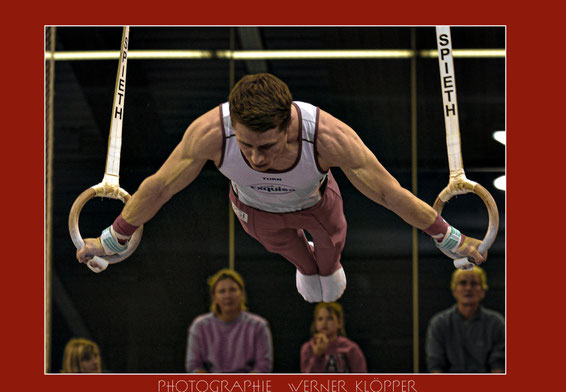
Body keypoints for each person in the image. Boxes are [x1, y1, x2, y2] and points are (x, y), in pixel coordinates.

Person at [77, 72, 487, 303]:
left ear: (289, 124)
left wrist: (448, 236)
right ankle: (307, 268)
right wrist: (114, 239)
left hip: (317, 206)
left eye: (267, 146)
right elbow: (159, 188)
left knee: (330, 251)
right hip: (255, 213)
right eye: (246, 145)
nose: (255, 158)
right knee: (296, 257)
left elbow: (387, 192)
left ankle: (326, 267)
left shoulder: (327, 138)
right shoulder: (210, 134)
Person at [185, 268, 273, 373]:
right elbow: (193, 365)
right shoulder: (199, 326)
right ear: (214, 297)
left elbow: (263, 366)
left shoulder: (259, 326)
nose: (228, 296)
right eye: (222, 291)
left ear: (242, 294)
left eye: (233, 290)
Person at [425, 266, 505, 373]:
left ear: (483, 291)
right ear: (454, 290)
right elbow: (435, 366)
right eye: (463, 283)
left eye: (474, 283)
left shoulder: (496, 324)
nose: (468, 288)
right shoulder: (438, 323)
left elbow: (499, 365)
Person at [300, 302, 367, 373]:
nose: (324, 322)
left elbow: (361, 376)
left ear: (339, 323)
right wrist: (317, 356)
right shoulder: (308, 348)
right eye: (320, 319)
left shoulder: (351, 348)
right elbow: (306, 377)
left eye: (330, 318)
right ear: (315, 324)